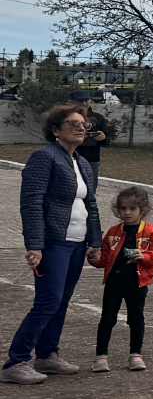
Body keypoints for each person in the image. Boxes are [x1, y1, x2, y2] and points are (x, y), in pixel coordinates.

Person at [7, 103, 103, 384]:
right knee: (48, 301)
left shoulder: (82, 162)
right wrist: (35, 245)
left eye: (83, 124)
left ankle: (47, 355)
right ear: (55, 130)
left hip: (76, 242)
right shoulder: (44, 157)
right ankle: (16, 361)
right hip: (53, 242)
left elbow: (92, 204)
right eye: (72, 123)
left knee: (61, 301)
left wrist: (95, 241)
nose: (80, 127)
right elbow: (31, 203)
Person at [89, 184, 153, 373]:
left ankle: (136, 354)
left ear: (143, 210)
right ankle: (101, 356)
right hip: (113, 283)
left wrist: (145, 256)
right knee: (107, 318)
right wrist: (94, 259)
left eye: (132, 209)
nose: (127, 213)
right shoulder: (113, 232)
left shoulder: (151, 232)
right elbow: (105, 259)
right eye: (123, 208)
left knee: (136, 318)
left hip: (137, 283)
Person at [69, 90, 112, 168]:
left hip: (92, 159)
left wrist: (103, 138)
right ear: (72, 102)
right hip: (70, 158)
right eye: (80, 100)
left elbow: (106, 139)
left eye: (86, 100)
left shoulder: (99, 117)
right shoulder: (66, 118)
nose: (84, 103)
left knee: (91, 180)